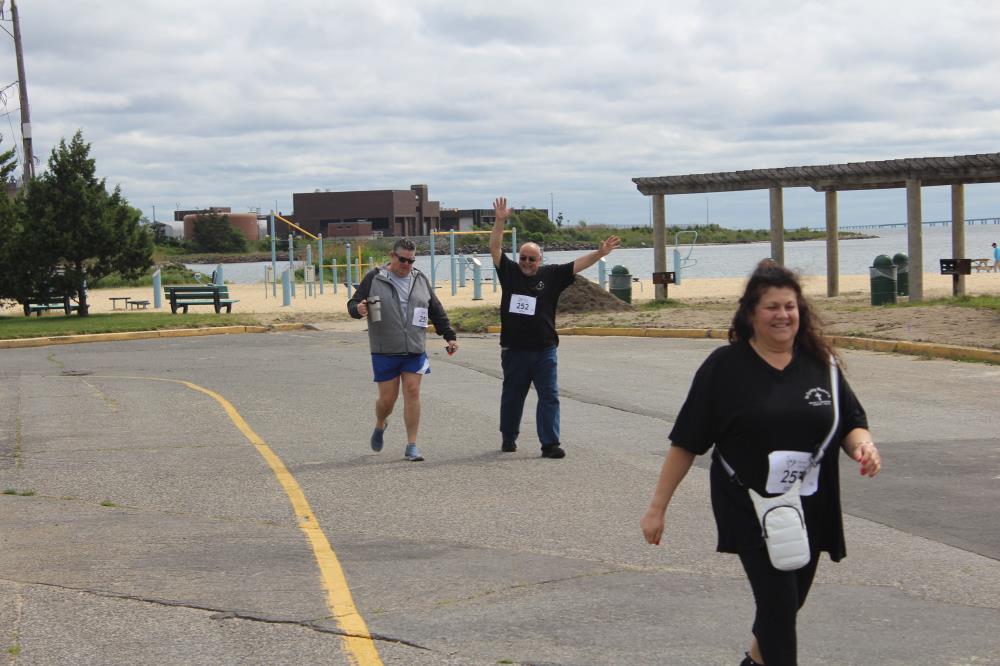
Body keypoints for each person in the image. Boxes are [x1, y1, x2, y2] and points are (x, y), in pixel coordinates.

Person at [640, 259, 882, 666]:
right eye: (772, 307)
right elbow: (687, 441)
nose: (782, 315)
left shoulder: (821, 364)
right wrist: (657, 507)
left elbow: (850, 422)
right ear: (751, 313)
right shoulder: (724, 367)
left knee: (786, 604)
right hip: (748, 504)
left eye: (789, 306)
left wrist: (864, 446)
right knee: (778, 607)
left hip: (810, 504)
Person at [489, 196, 620, 458]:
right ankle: (509, 436)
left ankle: (550, 443)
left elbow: (578, 264)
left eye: (532, 259)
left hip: (544, 350)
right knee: (513, 395)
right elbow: (495, 247)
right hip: (514, 350)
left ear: (540, 259)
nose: (527, 263)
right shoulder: (510, 272)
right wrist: (499, 221)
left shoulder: (551, 275)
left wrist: (600, 253)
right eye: (523, 258)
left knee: (549, 395)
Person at [347, 238, 458, 462]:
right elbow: (353, 303)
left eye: (411, 260)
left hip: (414, 348)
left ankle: (412, 445)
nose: (406, 264)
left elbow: (435, 309)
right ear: (392, 256)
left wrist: (449, 336)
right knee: (387, 401)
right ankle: (381, 422)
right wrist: (358, 309)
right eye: (402, 259)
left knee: (413, 391)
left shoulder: (419, 279)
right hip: (385, 349)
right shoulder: (375, 277)